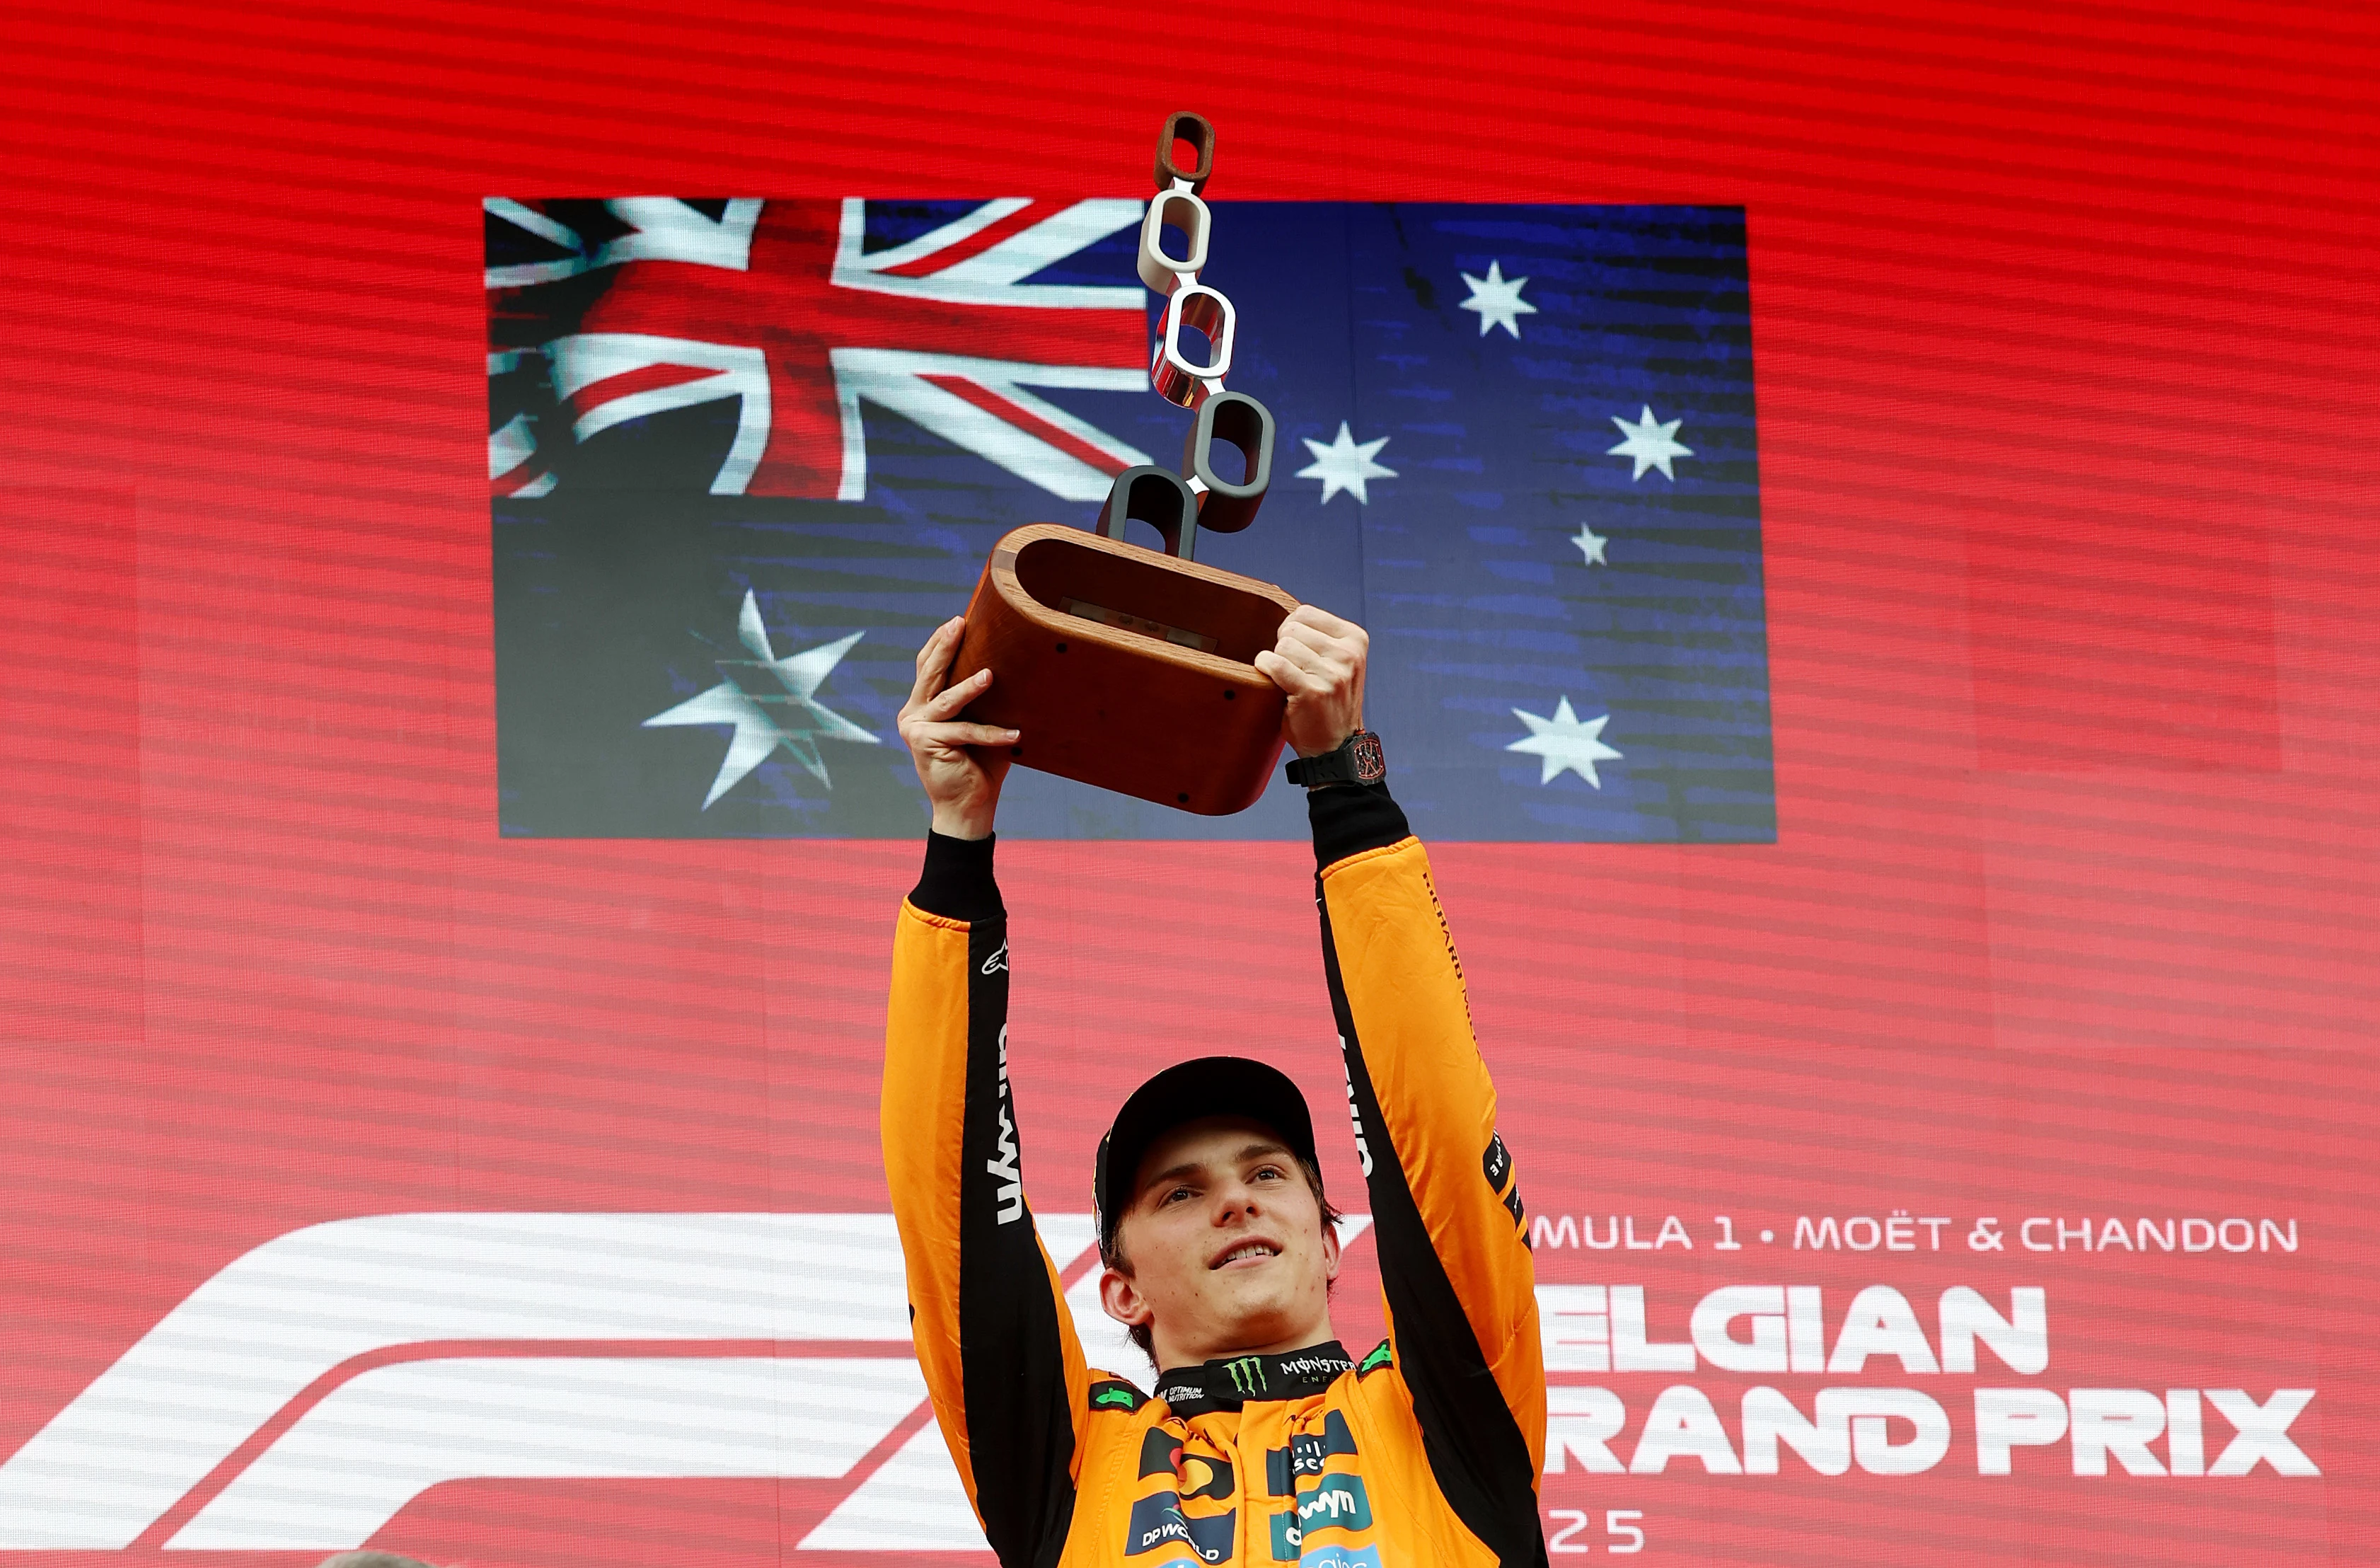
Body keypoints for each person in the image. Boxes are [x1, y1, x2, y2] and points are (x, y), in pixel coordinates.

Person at [884, 605, 1547, 1567]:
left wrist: (1343, 785)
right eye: (1180, 1194)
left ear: (1330, 1244)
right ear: (1120, 1292)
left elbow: (1434, 1137)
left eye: (1269, 1174)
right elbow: (950, 1213)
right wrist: (957, 848)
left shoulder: (1447, 1417)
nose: (1235, 1199)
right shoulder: (1073, 1467)